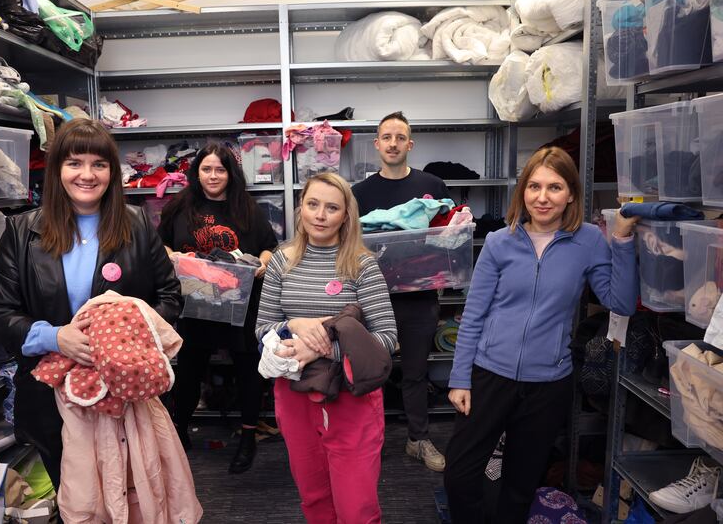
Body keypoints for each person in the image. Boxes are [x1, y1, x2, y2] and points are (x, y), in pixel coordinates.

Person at [0, 119, 184, 491]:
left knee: (131, 493)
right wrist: (55, 338)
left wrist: (125, 332)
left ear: (111, 171)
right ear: (58, 168)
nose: (87, 175)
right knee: (76, 497)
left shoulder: (137, 224)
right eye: (75, 163)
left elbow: (170, 298)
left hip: (125, 391)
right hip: (52, 396)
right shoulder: (22, 231)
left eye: (99, 164)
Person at [443, 146, 639, 522]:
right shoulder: (500, 241)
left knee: (520, 483)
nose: (543, 197)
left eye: (554, 187)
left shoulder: (589, 241)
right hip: (488, 375)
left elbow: (621, 302)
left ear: (570, 195)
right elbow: (473, 315)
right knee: (460, 474)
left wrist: (623, 241)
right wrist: (459, 378)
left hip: (548, 383)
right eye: (534, 186)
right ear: (523, 192)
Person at [256, 173, 397, 523]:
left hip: (351, 397)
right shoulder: (281, 261)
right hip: (294, 394)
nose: (320, 215)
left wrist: (323, 348)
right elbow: (261, 330)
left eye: (332, 207)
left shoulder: (361, 264)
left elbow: (387, 338)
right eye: (313, 204)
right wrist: (296, 326)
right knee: (314, 497)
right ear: (300, 207)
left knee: (356, 505)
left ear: (346, 216)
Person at [157, 142, 277, 473]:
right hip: (194, 301)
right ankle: (179, 429)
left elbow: (269, 247)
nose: (213, 176)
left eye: (220, 169)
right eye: (206, 169)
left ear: (230, 173)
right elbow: (161, 243)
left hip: (239, 302)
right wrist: (173, 257)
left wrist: (261, 265)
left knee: (248, 369)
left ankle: (248, 437)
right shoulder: (180, 206)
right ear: (197, 172)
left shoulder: (246, 208)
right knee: (189, 369)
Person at [351, 111, 450, 472]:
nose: (393, 143)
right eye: (386, 137)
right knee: (367, 372)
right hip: (371, 297)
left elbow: (447, 238)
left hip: (419, 296)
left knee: (415, 372)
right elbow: (350, 245)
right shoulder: (359, 193)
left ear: (410, 144)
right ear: (377, 144)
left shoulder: (432, 186)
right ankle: (365, 441)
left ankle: (417, 440)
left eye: (400, 137)